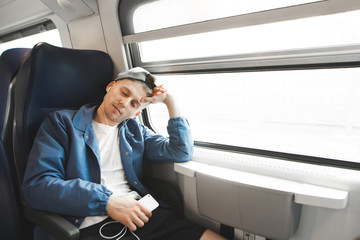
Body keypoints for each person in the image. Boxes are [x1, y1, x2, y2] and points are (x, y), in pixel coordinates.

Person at [22, 67, 227, 240]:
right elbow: (38, 186)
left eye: (135, 103)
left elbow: (181, 151)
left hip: (141, 214)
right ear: (111, 87)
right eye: (124, 92)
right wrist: (108, 202)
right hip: (88, 223)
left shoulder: (134, 131)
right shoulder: (61, 123)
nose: (125, 103)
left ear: (137, 113)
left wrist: (170, 101)